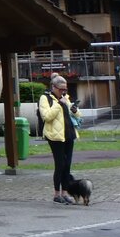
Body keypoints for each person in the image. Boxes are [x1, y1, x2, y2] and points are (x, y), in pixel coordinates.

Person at [38, 73, 79, 204]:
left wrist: (74, 109)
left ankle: (65, 192)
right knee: (60, 164)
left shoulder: (65, 97)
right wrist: (58, 104)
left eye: (65, 89)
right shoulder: (45, 98)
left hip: (68, 134)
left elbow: (78, 116)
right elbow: (47, 116)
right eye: (61, 89)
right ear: (53, 87)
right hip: (55, 136)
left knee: (67, 165)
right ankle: (56, 194)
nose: (63, 92)